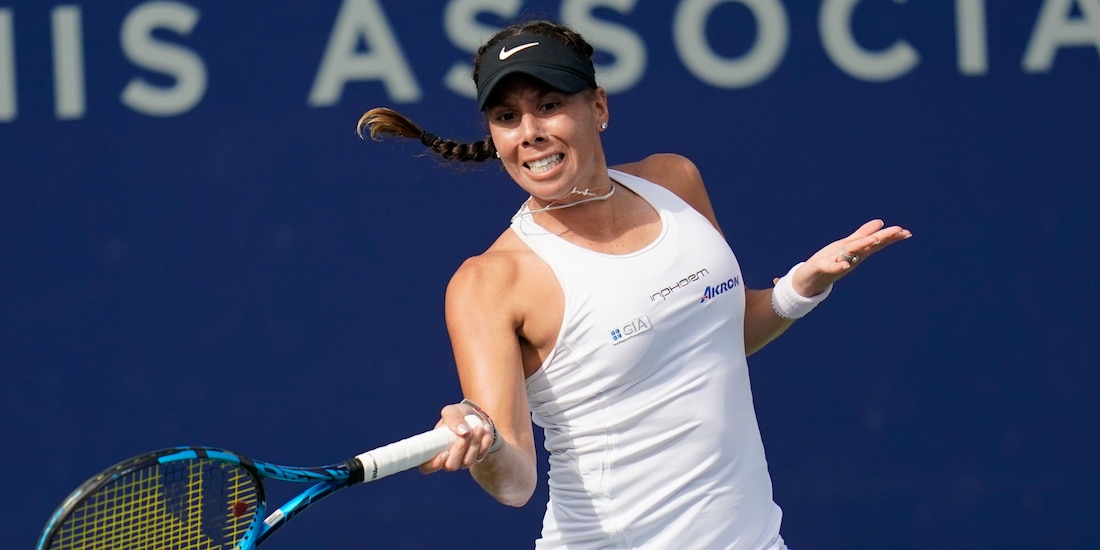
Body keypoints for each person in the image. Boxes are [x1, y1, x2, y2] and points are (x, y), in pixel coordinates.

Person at [358, 19, 911, 550]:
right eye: (507, 117)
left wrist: (802, 286)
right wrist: (485, 445)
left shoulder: (674, 180)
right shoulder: (490, 282)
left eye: (549, 106)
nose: (530, 133)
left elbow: (720, 333)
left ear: (598, 106)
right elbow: (515, 483)